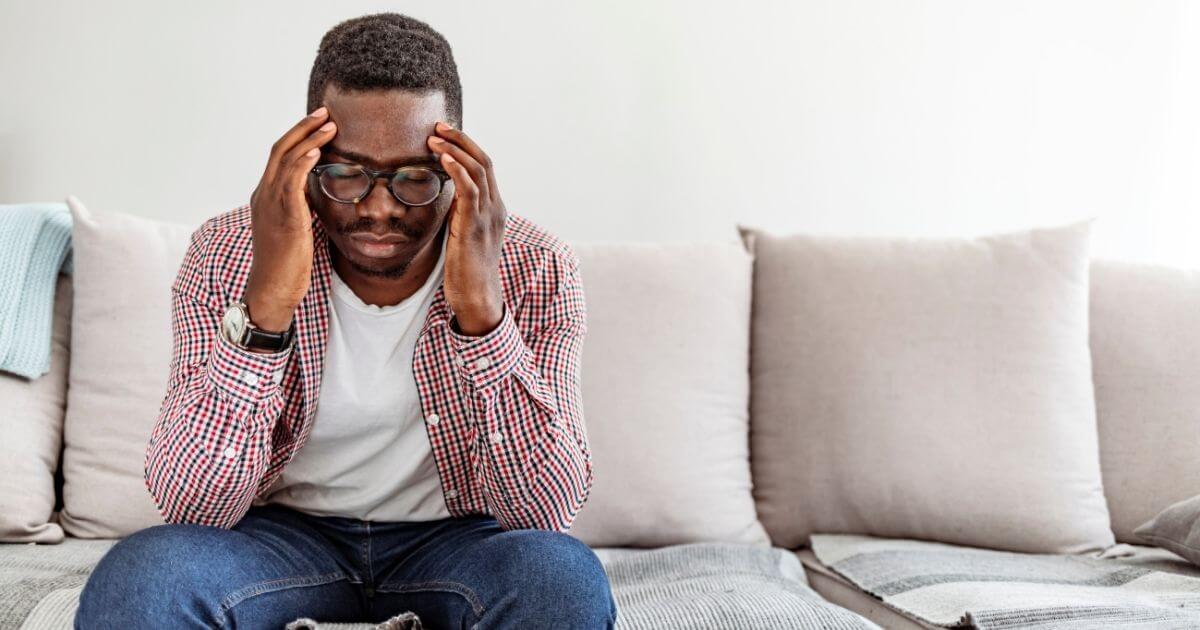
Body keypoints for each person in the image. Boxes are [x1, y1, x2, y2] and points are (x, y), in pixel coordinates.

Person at [75, 12, 616, 629]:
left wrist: (481, 313)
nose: (380, 208)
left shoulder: (533, 264)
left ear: (458, 168)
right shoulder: (228, 252)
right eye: (347, 175)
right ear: (306, 164)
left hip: (460, 543)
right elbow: (193, 504)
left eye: (414, 176)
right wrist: (266, 310)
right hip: (279, 540)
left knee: (560, 579)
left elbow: (543, 511)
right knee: (145, 577)